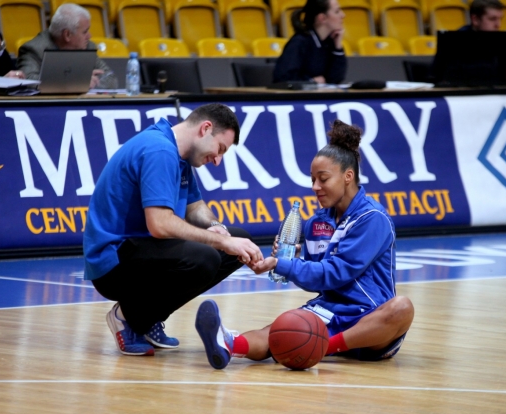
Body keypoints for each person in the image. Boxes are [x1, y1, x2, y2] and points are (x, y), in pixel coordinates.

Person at [195, 120, 415, 370]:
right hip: (330, 309)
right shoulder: (316, 223)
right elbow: (316, 275)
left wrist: (282, 264)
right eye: (312, 179)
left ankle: (322, 346)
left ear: (348, 176)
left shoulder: (372, 219)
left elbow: (335, 272)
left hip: (370, 319)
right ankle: (229, 343)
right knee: (279, 330)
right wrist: (290, 259)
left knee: (402, 307)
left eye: (323, 179)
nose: (315, 187)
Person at [84, 103, 264, 357]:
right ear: (205, 129)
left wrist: (218, 229)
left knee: (240, 240)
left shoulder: (178, 153)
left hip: (142, 251)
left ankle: (146, 319)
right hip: (113, 262)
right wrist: (221, 243)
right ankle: (128, 317)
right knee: (205, 257)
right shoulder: (159, 151)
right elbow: (160, 224)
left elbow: (195, 206)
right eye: (220, 149)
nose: (217, 160)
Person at [15, 3, 117, 89]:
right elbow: (26, 81)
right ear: (67, 35)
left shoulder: (87, 46)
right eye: (85, 32)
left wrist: (86, 83)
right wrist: (77, 81)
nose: (89, 36)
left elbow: (111, 79)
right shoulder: (34, 49)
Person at [272, 0, 346, 85]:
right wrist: (310, 81)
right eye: (337, 11)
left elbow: (334, 79)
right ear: (322, 18)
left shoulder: (329, 42)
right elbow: (282, 78)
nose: (343, 15)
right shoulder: (299, 43)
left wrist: (338, 47)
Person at [459, 0, 506, 80]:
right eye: (492, 19)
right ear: (475, 19)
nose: (498, 25)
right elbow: (456, 74)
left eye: (500, 19)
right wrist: (498, 74)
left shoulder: (500, 40)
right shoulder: (459, 40)